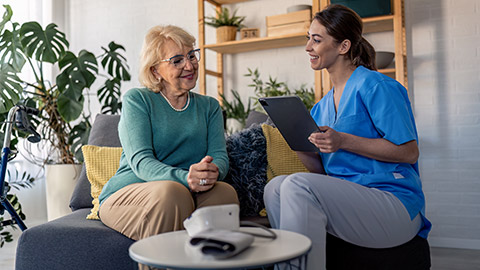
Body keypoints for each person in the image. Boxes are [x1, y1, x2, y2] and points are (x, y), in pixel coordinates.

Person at [263, 5, 431, 270]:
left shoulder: (377, 86)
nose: (308, 47)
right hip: (351, 204)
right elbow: (321, 172)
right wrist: (298, 145)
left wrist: (343, 141)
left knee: (296, 185)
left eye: (316, 40)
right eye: (308, 38)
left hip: (394, 204)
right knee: (275, 188)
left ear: (343, 46)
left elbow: (409, 152)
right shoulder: (320, 108)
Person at [98, 25, 239, 241]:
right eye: (177, 60)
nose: (190, 65)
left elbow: (219, 156)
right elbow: (141, 161)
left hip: (187, 189)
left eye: (192, 56)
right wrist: (185, 178)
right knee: (173, 193)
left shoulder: (209, 107)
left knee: (224, 192)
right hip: (131, 192)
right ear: (155, 70)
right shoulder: (138, 100)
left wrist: (211, 172)